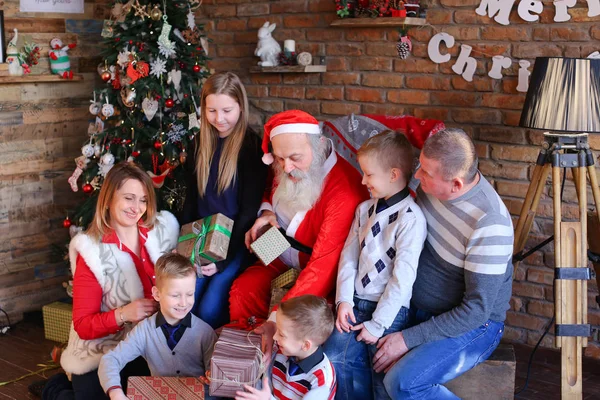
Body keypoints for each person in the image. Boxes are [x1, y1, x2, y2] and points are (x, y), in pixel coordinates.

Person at [372, 129, 513, 399]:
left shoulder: (490, 223)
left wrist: (407, 339)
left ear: (456, 184)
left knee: (402, 383)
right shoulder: (433, 185)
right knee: (369, 357)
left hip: (473, 325)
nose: (416, 176)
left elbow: (476, 311)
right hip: (417, 306)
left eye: (425, 173)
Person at [229, 109, 369, 360]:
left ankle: (278, 368)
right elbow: (268, 191)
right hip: (279, 246)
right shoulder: (287, 162)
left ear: (321, 145)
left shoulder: (344, 191)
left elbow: (322, 268)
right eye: (279, 159)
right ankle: (243, 361)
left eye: (294, 158)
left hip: (317, 269)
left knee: (290, 326)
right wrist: (267, 212)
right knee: (243, 291)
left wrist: (275, 321)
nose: (286, 167)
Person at [42, 162, 180, 400]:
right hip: (103, 351)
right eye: (129, 198)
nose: (137, 207)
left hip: (149, 347)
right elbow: (84, 325)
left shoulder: (161, 232)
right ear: (108, 199)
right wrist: (124, 313)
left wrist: (198, 266)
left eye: (143, 199)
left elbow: (180, 273)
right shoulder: (92, 252)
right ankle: (58, 389)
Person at [324, 131, 427, 400]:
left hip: (389, 312)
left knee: (382, 375)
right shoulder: (364, 209)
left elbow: (402, 279)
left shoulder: (410, 218)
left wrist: (379, 324)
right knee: (335, 357)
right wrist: (343, 300)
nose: (362, 180)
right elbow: (349, 258)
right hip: (356, 303)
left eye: (368, 174)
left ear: (393, 174)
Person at [180, 71, 267, 329]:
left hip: (236, 243)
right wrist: (189, 249)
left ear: (241, 106)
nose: (220, 119)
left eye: (227, 110)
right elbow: (190, 202)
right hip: (201, 238)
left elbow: (248, 213)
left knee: (207, 309)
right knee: (187, 302)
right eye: (212, 111)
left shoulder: (251, 147)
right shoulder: (199, 143)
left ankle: (211, 362)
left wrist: (221, 261)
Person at [98, 253, 217, 400]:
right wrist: (116, 393)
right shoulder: (144, 331)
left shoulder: (205, 332)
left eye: (190, 294)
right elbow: (111, 360)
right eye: (175, 295)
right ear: (157, 294)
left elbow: (214, 374)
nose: (184, 303)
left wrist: (213, 376)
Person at [235, 295, 337, 400]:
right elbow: (266, 384)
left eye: (282, 334)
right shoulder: (283, 351)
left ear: (305, 345)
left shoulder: (321, 382)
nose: (274, 337)